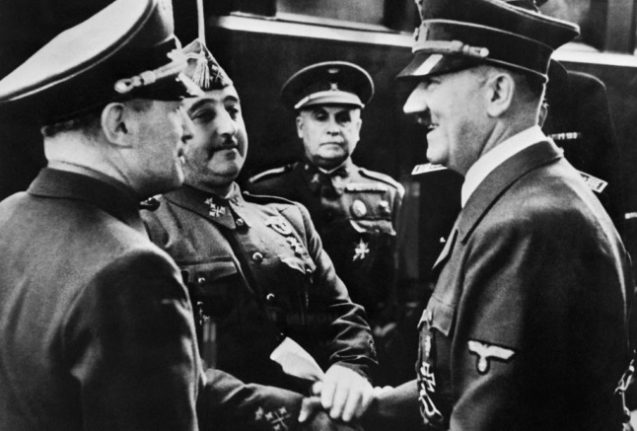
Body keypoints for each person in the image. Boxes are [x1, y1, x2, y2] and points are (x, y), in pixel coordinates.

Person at [363, 0, 635, 430]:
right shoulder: (524, 197)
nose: (412, 105)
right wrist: (372, 407)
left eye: (432, 82)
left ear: (497, 93)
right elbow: (476, 375)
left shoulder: (527, 226)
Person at [141, 39, 377, 430]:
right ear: (173, 129)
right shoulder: (149, 228)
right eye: (203, 115)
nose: (229, 127)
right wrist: (295, 412)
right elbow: (165, 367)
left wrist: (349, 370)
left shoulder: (288, 218)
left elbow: (342, 315)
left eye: (233, 109)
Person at [0, 0, 206, 429]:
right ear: (120, 126)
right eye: (175, 108)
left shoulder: (7, 217)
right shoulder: (132, 272)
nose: (188, 129)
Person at [246, 61, 405, 384]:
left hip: (370, 353)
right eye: (320, 117)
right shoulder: (264, 192)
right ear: (301, 127)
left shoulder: (388, 194)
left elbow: (407, 289)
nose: (333, 128)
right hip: (290, 358)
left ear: (358, 127)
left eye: (344, 118)